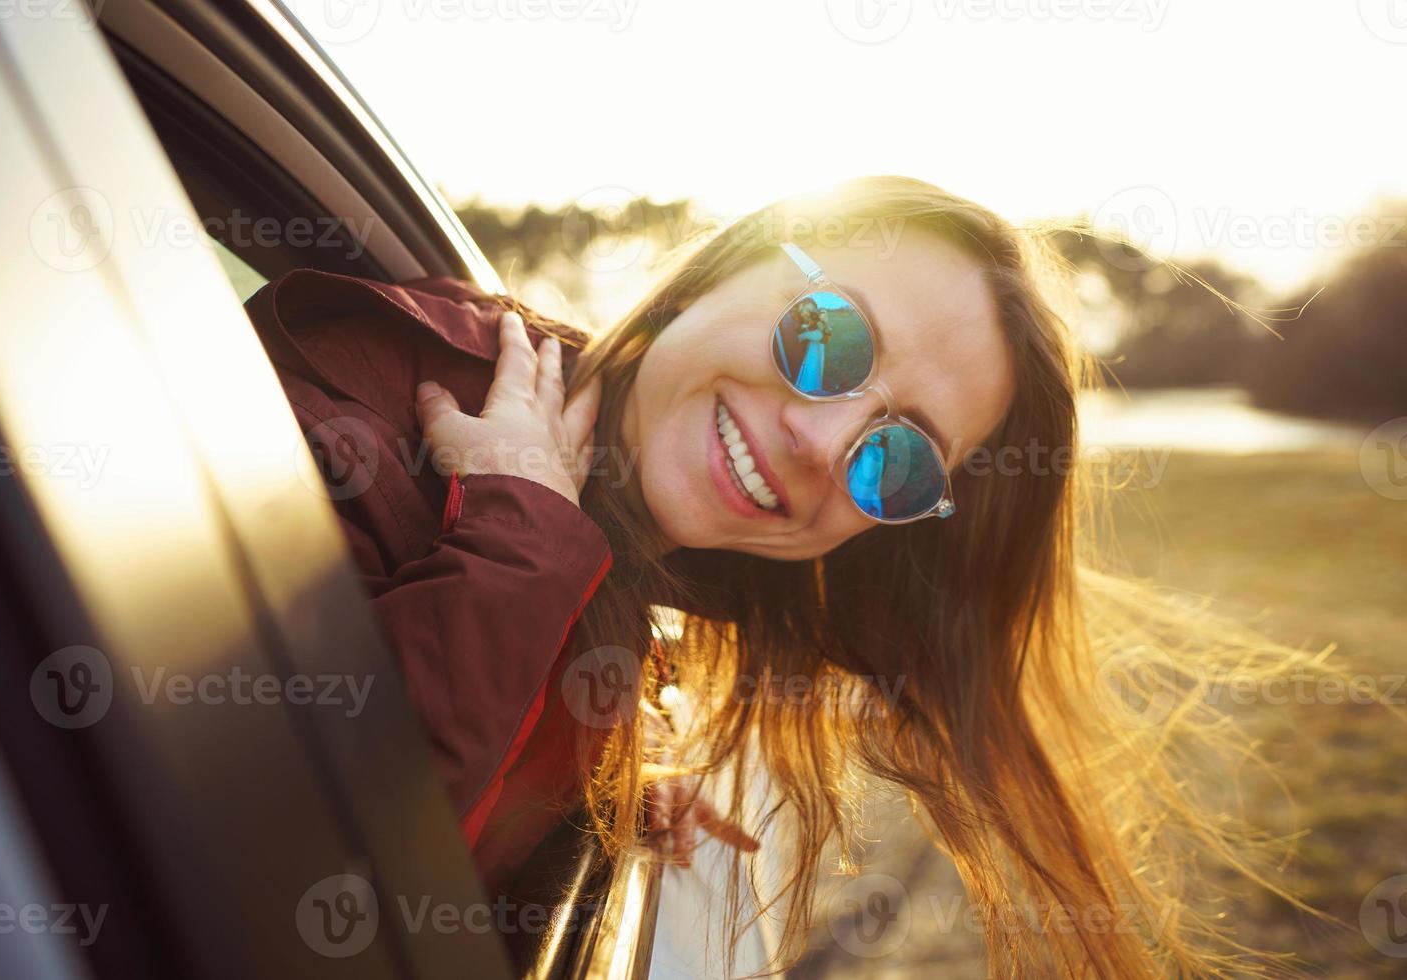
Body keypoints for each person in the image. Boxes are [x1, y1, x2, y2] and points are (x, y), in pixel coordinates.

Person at [250, 176, 1323, 978]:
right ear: (724, 270)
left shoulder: (604, 559)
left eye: (898, 456)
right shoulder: (350, 418)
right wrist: (519, 535)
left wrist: (584, 784)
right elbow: (265, 876)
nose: (820, 438)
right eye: (828, 333)